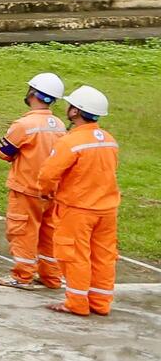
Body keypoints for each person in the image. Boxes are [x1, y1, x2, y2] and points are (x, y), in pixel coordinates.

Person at [40, 85, 119, 317]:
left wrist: (46, 191)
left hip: (78, 209)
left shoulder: (71, 142)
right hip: (107, 209)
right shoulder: (109, 139)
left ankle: (76, 302)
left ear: (76, 112)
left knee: (74, 255)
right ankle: (100, 302)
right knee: (103, 256)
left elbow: (48, 174)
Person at [0, 72, 68, 290]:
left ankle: (22, 275)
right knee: (49, 232)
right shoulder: (59, 125)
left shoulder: (24, 125)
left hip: (26, 188)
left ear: (33, 94)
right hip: (51, 190)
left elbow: (3, 152)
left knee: (23, 231)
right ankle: (51, 275)